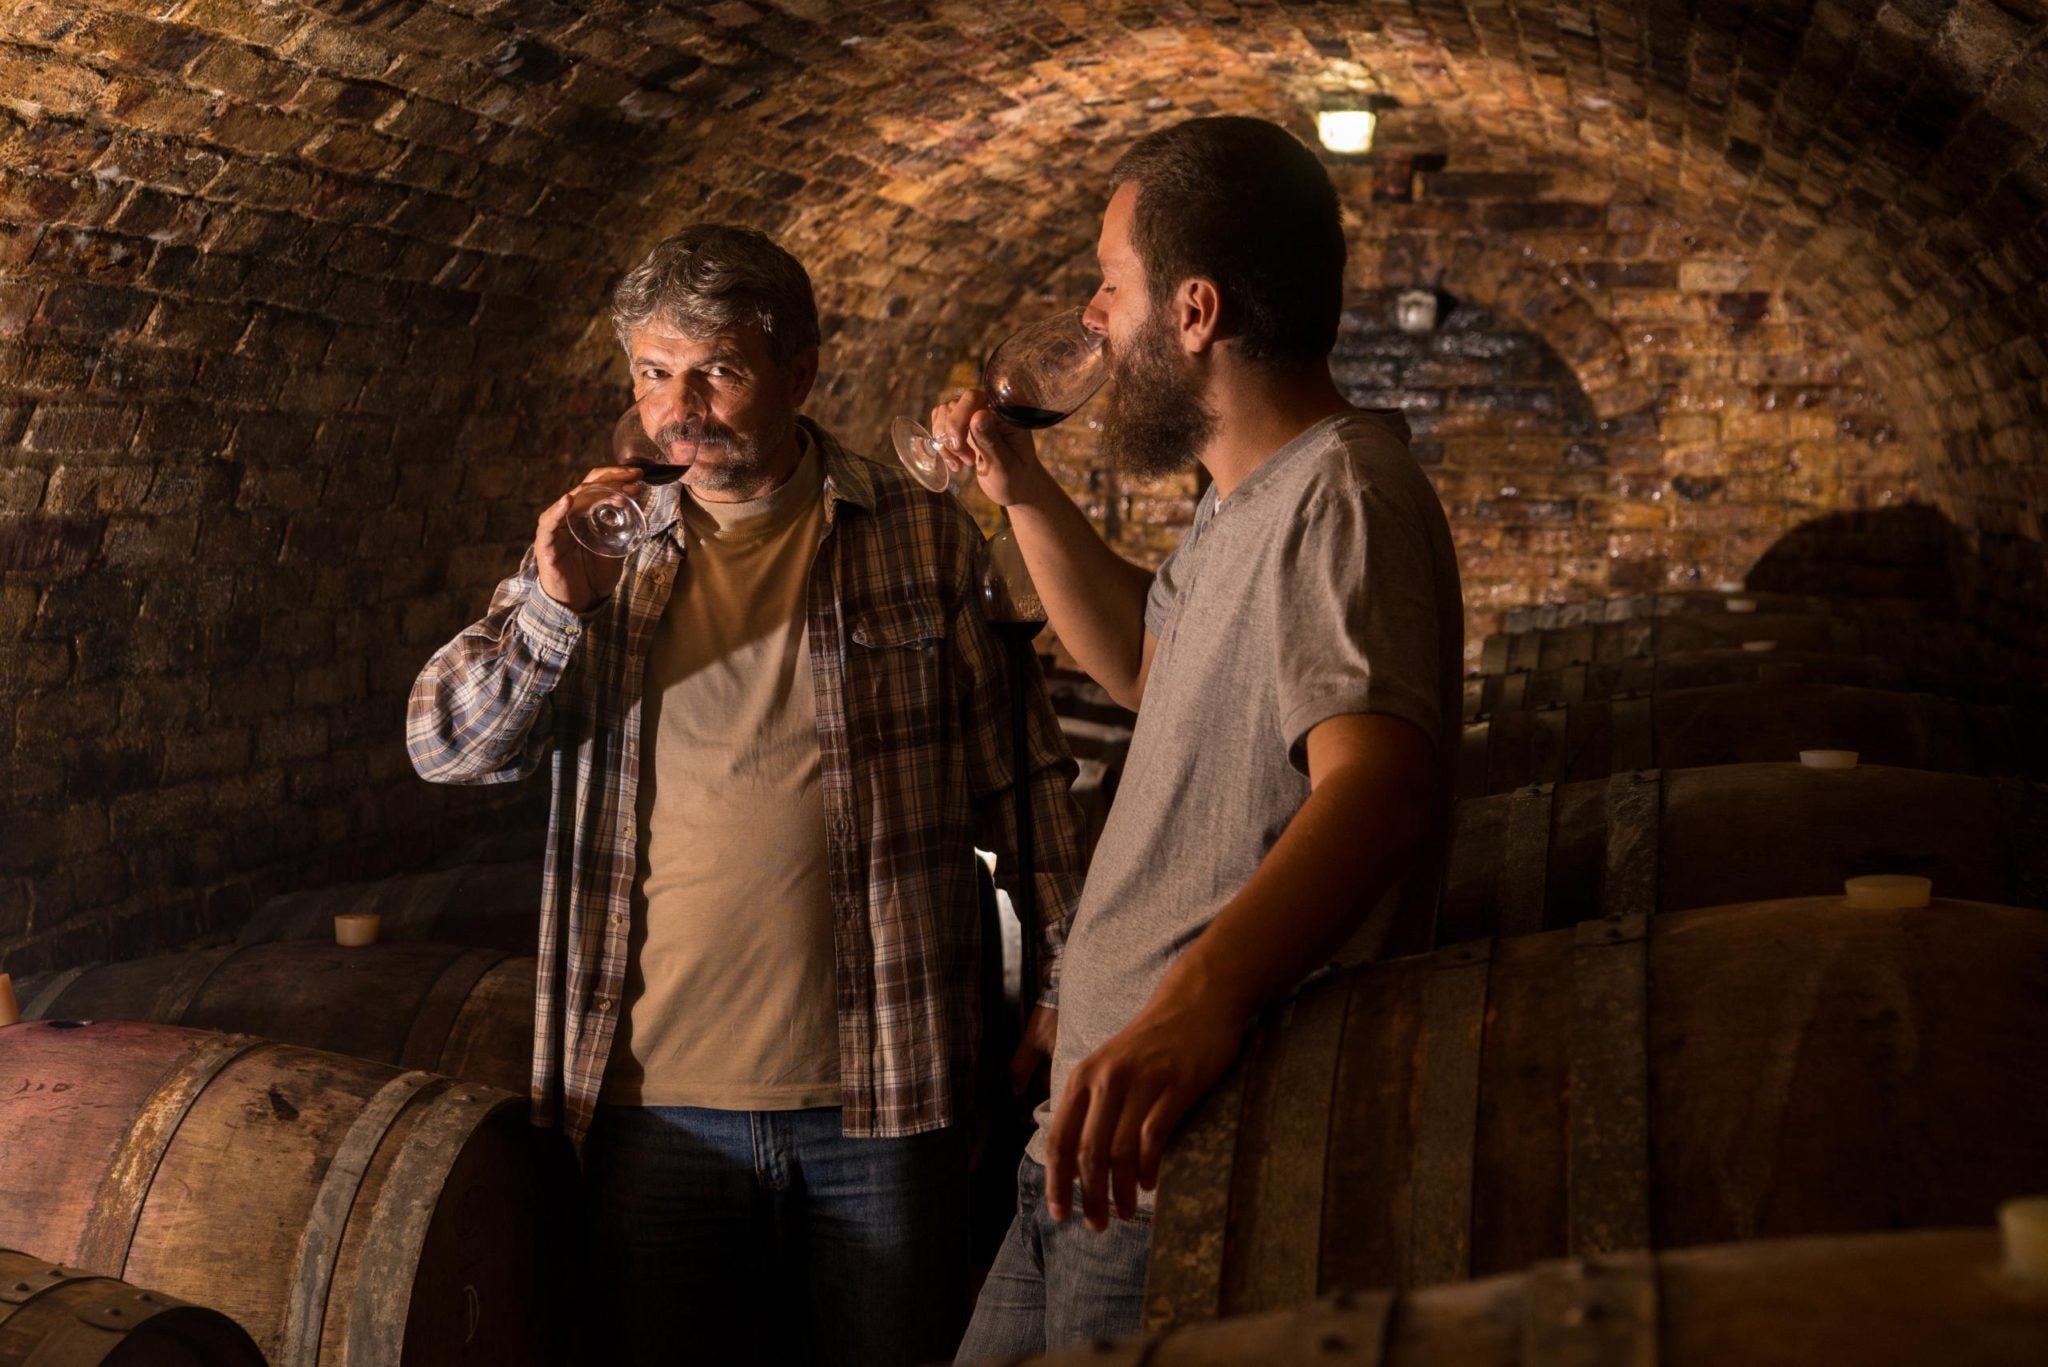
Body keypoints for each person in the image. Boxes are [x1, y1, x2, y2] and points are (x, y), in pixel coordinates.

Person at [407, 225, 1087, 1367]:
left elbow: (1019, 778)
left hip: (884, 1097)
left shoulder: (917, 537)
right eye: (653, 373)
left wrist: (1074, 981)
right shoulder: (600, 551)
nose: (681, 409)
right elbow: (443, 746)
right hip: (650, 1110)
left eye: (717, 370)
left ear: (798, 372)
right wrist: (553, 610)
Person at [936, 116, 1465, 1357]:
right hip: (1092, 1132)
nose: (1092, 316)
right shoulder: (1245, 499)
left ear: (1192, 311)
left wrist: (1194, 1004)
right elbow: (1141, 662)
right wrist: (1023, 492)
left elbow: (1377, 787)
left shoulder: (1339, 495)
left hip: (1184, 1148)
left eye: (1108, 284)